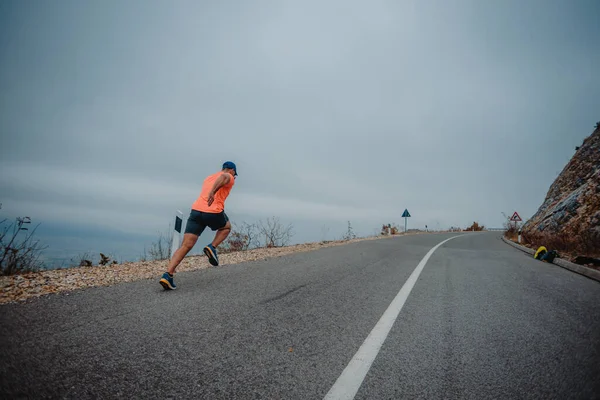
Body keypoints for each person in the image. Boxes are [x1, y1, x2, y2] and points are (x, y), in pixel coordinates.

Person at [159, 161, 238, 290]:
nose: (234, 178)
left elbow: (219, 178)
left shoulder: (209, 178)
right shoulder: (228, 176)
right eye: (235, 174)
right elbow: (224, 177)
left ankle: (168, 275)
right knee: (226, 227)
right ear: (231, 170)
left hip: (196, 212)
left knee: (185, 246)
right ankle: (212, 247)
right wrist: (213, 192)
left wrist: (212, 189)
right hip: (212, 211)